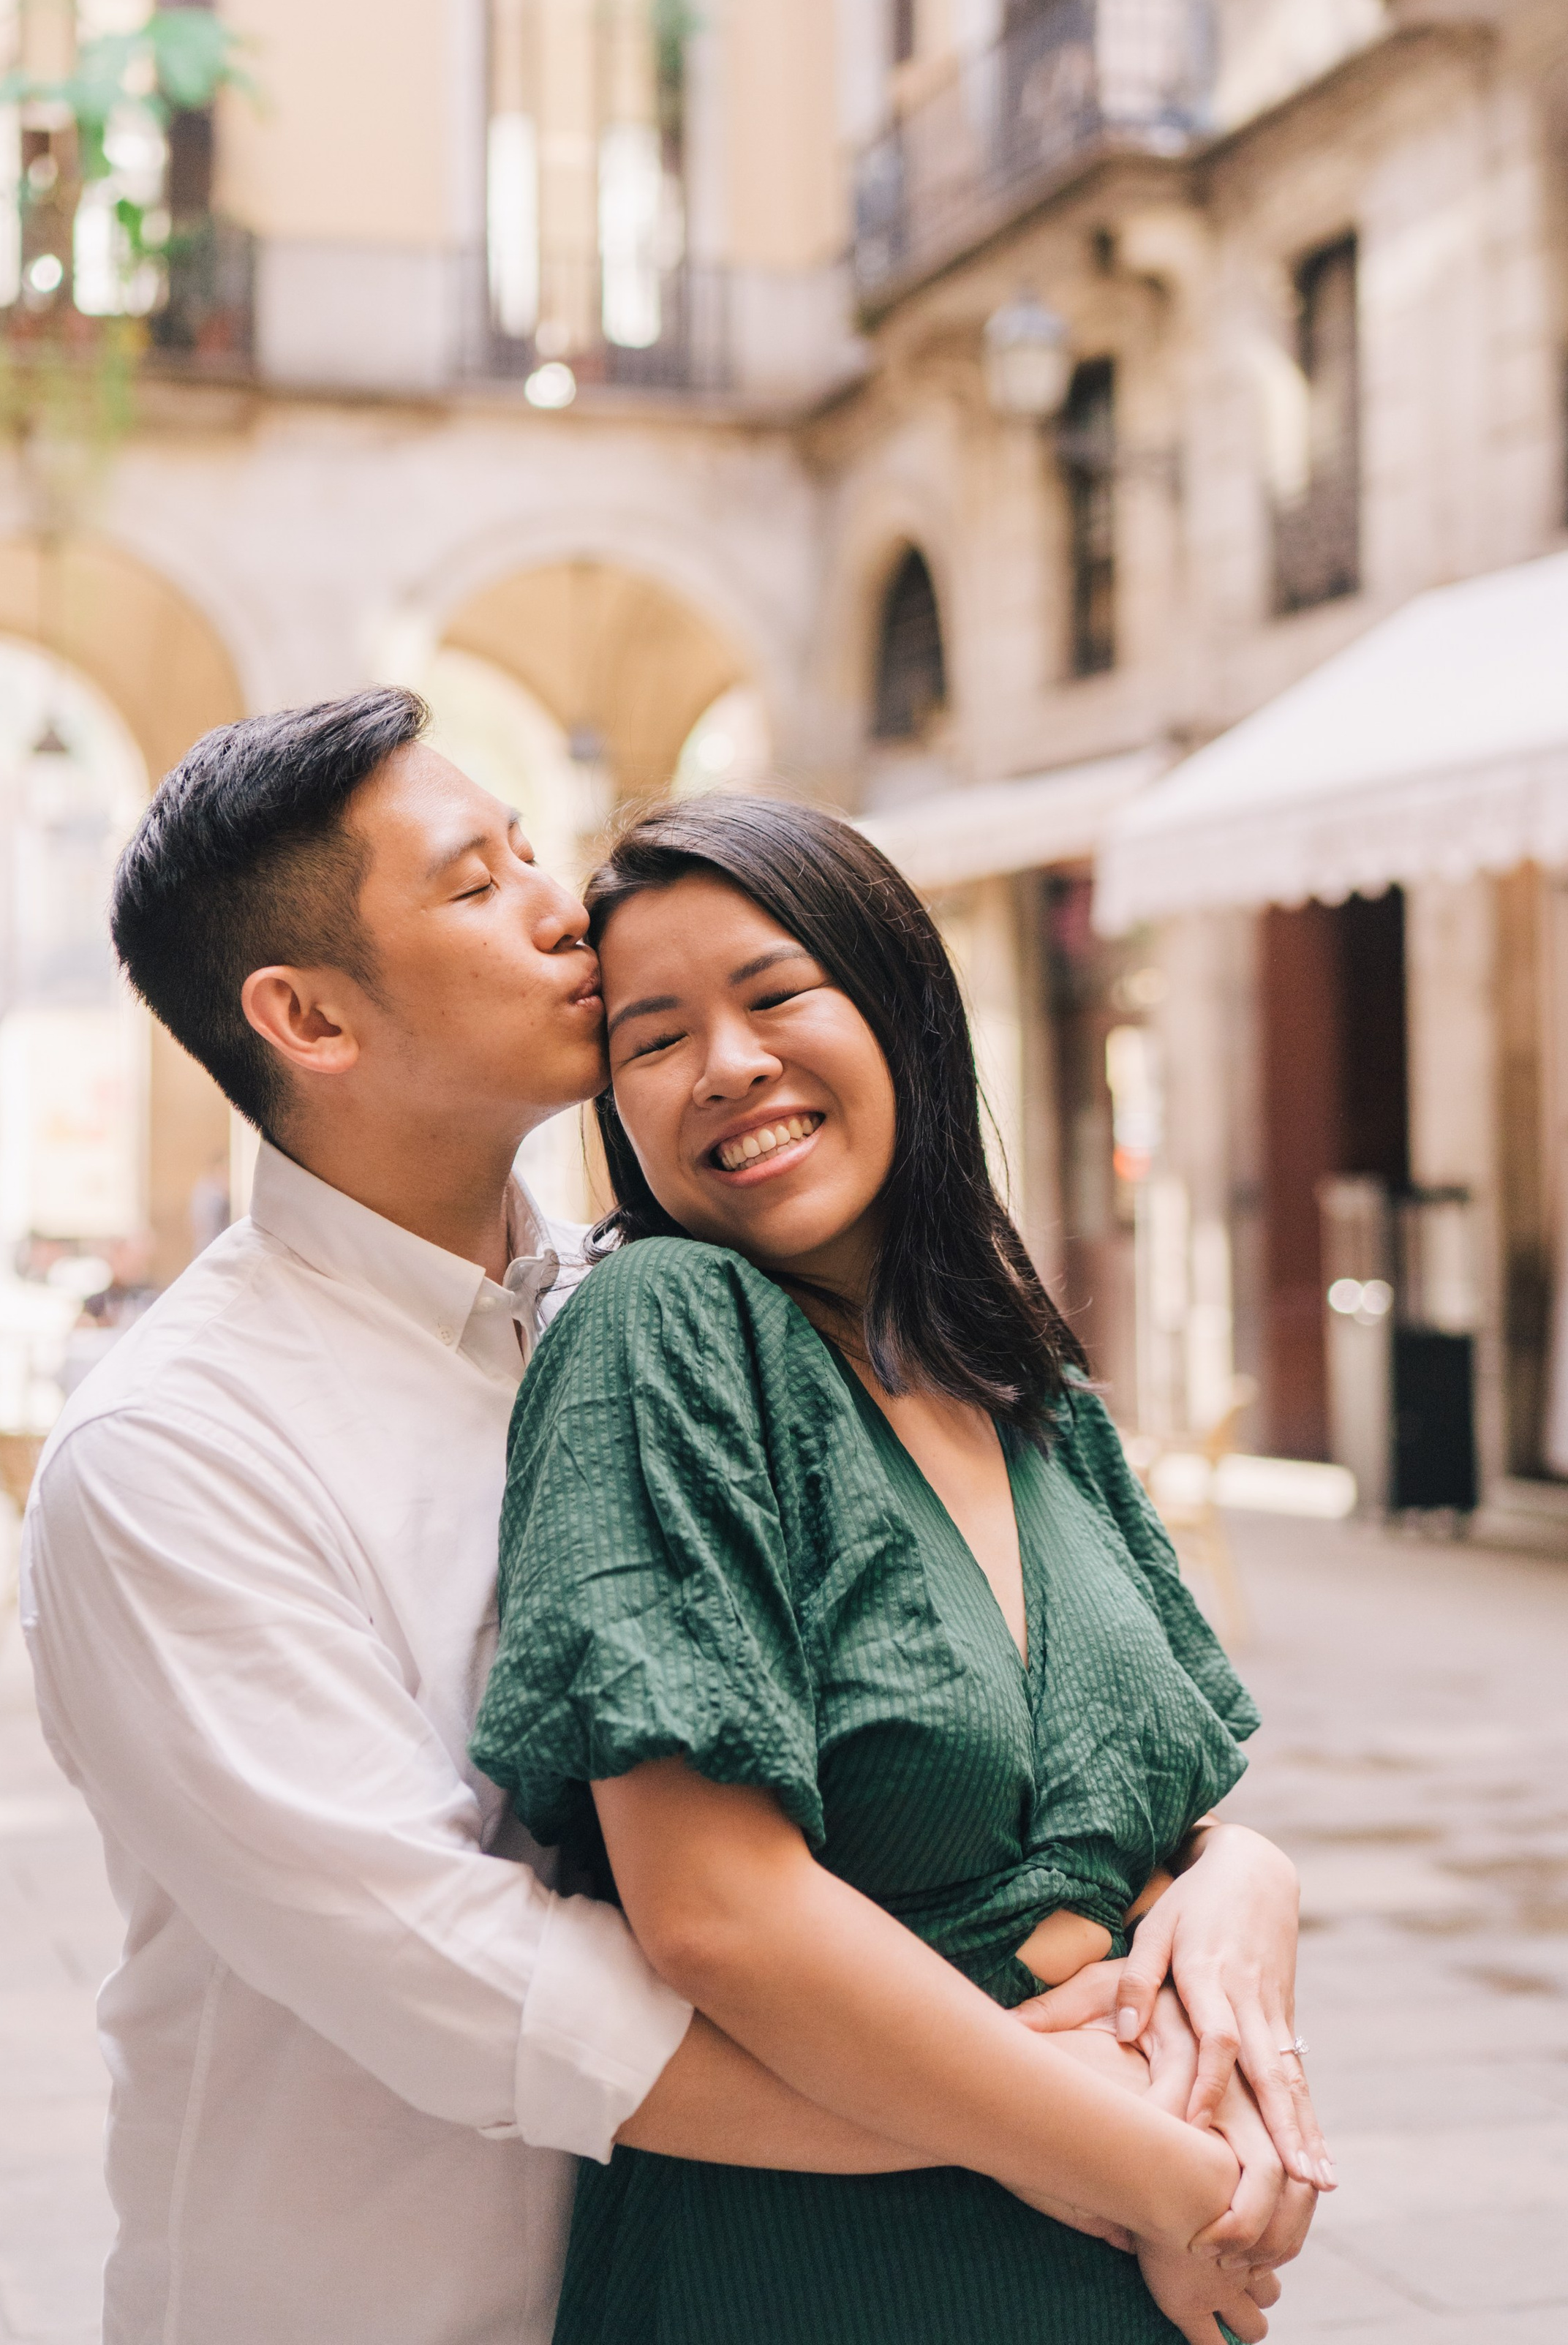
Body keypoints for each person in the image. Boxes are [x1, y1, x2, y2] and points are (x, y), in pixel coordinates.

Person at [22, 692, 1322, 2345]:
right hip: (386, 2299)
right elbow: (461, 1980)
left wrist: (1235, 1876)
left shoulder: (684, 1312)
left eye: (525, 851)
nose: (560, 907)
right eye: (476, 883)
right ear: (310, 1018)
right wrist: (1075, 2140)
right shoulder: (175, 1452)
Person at [472, 791, 1333, 2345]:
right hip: (819, 2269)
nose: (726, 1064)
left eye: (774, 993)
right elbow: (713, 1913)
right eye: (651, 1037)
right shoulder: (662, 1331)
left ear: (901, 1008)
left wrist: (1244, 1884)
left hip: (1107, 2260)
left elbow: (1155, 1814)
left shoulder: (1025, 1389)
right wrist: (1169, 2181)